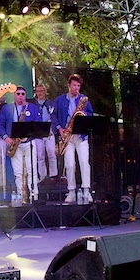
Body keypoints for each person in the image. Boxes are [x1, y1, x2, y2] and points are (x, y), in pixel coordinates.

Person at [52, 74, 94, 204]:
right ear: (69, 85)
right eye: (74, 85)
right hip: (67, 136)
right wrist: (59, 128)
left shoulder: (84, 99)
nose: (77, 88)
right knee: (69, 165)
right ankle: (71, 191)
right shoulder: (59, 100)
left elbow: (90, 114)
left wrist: (84, 115)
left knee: (84, 163)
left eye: (78, 86)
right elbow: (53, 116)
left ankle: (86, 190)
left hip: (81, 136)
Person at [0, 87, 39, 203]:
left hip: (29, 142)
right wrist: (5, 137)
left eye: (23, 94)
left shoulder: (32, 107)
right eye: (18, 94)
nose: (21, 96)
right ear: (14, 95)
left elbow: (38, 122)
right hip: (14, 143)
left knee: (32, 170)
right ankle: (21, 195)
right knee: (18, 172)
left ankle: (34, 195)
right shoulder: (7, 108)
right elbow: (1, 125)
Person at [31, 83, 58, 180]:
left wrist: (54, 128)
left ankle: (53, 175)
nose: (40, 93)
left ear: (45, 92)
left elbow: (55, 116)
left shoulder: (51, 103)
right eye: (38, 91)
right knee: (40, 155)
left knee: (51, 153)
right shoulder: (33, 104)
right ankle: (42, 176)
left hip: (49, 131)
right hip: (38, 132)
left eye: (41, 91)